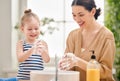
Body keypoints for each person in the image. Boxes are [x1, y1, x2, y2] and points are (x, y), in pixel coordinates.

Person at [59, 0, 116, 81]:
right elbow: (69, 68)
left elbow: (106, 73)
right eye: (74, 15)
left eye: (81, 15)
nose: (77, 19)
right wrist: (64, 65)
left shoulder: (106, 36)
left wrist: (78, 61)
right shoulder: (73, 35)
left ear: (93, 11)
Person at [16, 9, 50, 81]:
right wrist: (32, 49)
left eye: (36, 28)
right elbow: (20, 58)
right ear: (22, 29)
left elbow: (47, 60)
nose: (33, 31)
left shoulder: (43, 43)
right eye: (29, 29)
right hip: (23, 79)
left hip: (38, 78)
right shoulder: (21, 43)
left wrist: (43, 51)